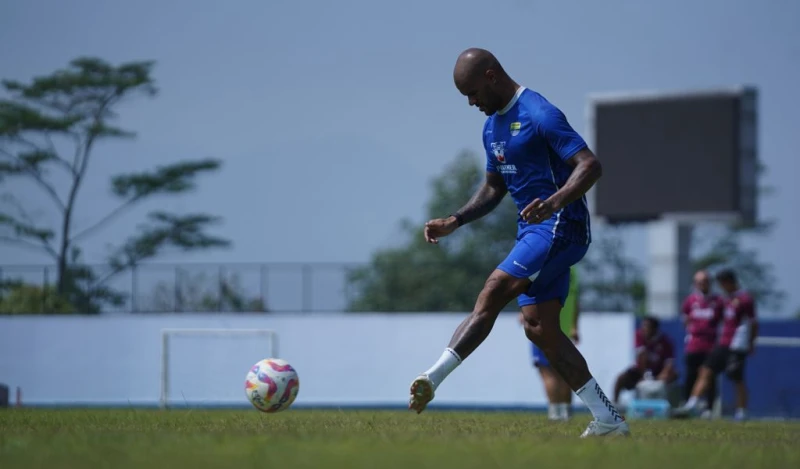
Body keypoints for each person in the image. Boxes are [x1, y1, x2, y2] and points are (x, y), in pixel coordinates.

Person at [407, 48, 628, 438]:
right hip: (535, 230)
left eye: (473, 93)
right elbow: (494, 188)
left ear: (492, 76)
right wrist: (456, 220)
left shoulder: (540, 114)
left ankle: (432, 377)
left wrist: (555, 202)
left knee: (494, 289)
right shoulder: (492, 126)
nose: (472, 103)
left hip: (563, 225)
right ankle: (608, 419)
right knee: (538, 328)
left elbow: (590, 166)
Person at [677, 269, 758, 420]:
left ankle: (741, 412)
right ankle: (691, 405)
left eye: (722, 284)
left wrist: (751, 343)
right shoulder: (725, 299)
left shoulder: (745, 299)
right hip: (722, 343)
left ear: (729, 282)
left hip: (737, 344)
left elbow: (753, 323)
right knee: (706, 371)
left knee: (737, 377)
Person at [519, 266, 580, 421]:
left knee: (547, 372)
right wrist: (574, 326)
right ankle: (566, 411)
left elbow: (530, 293)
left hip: (543, 327)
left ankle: (555, 413)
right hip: (565, 329)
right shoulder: (571, 270)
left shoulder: (542, 266)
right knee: (564, 373)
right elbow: (576, 302)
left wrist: (524, 312)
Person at [680, 269, 724, 414]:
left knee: (710, 376)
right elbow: (685, 319)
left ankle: (709, 408)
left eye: (705, 281)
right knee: (691, 375)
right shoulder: (691, 301)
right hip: (694, 344)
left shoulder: (718, 301)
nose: (702, 284)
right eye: (699, 282)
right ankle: (688, 405)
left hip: (711, 345)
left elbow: (723, 320)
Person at [613, 316, 678, 404]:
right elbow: (641, 356)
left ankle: (668, 404)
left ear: (655, 328)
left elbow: (669, 364)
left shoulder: (665, 342)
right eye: (643, 326)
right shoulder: (639, 336)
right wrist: (643, 376)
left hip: (658, 372)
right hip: (641, 370)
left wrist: (661, 376)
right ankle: (614, 404)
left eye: (647, 326)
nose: (644, 329)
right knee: (620, 378)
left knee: (674, 375)